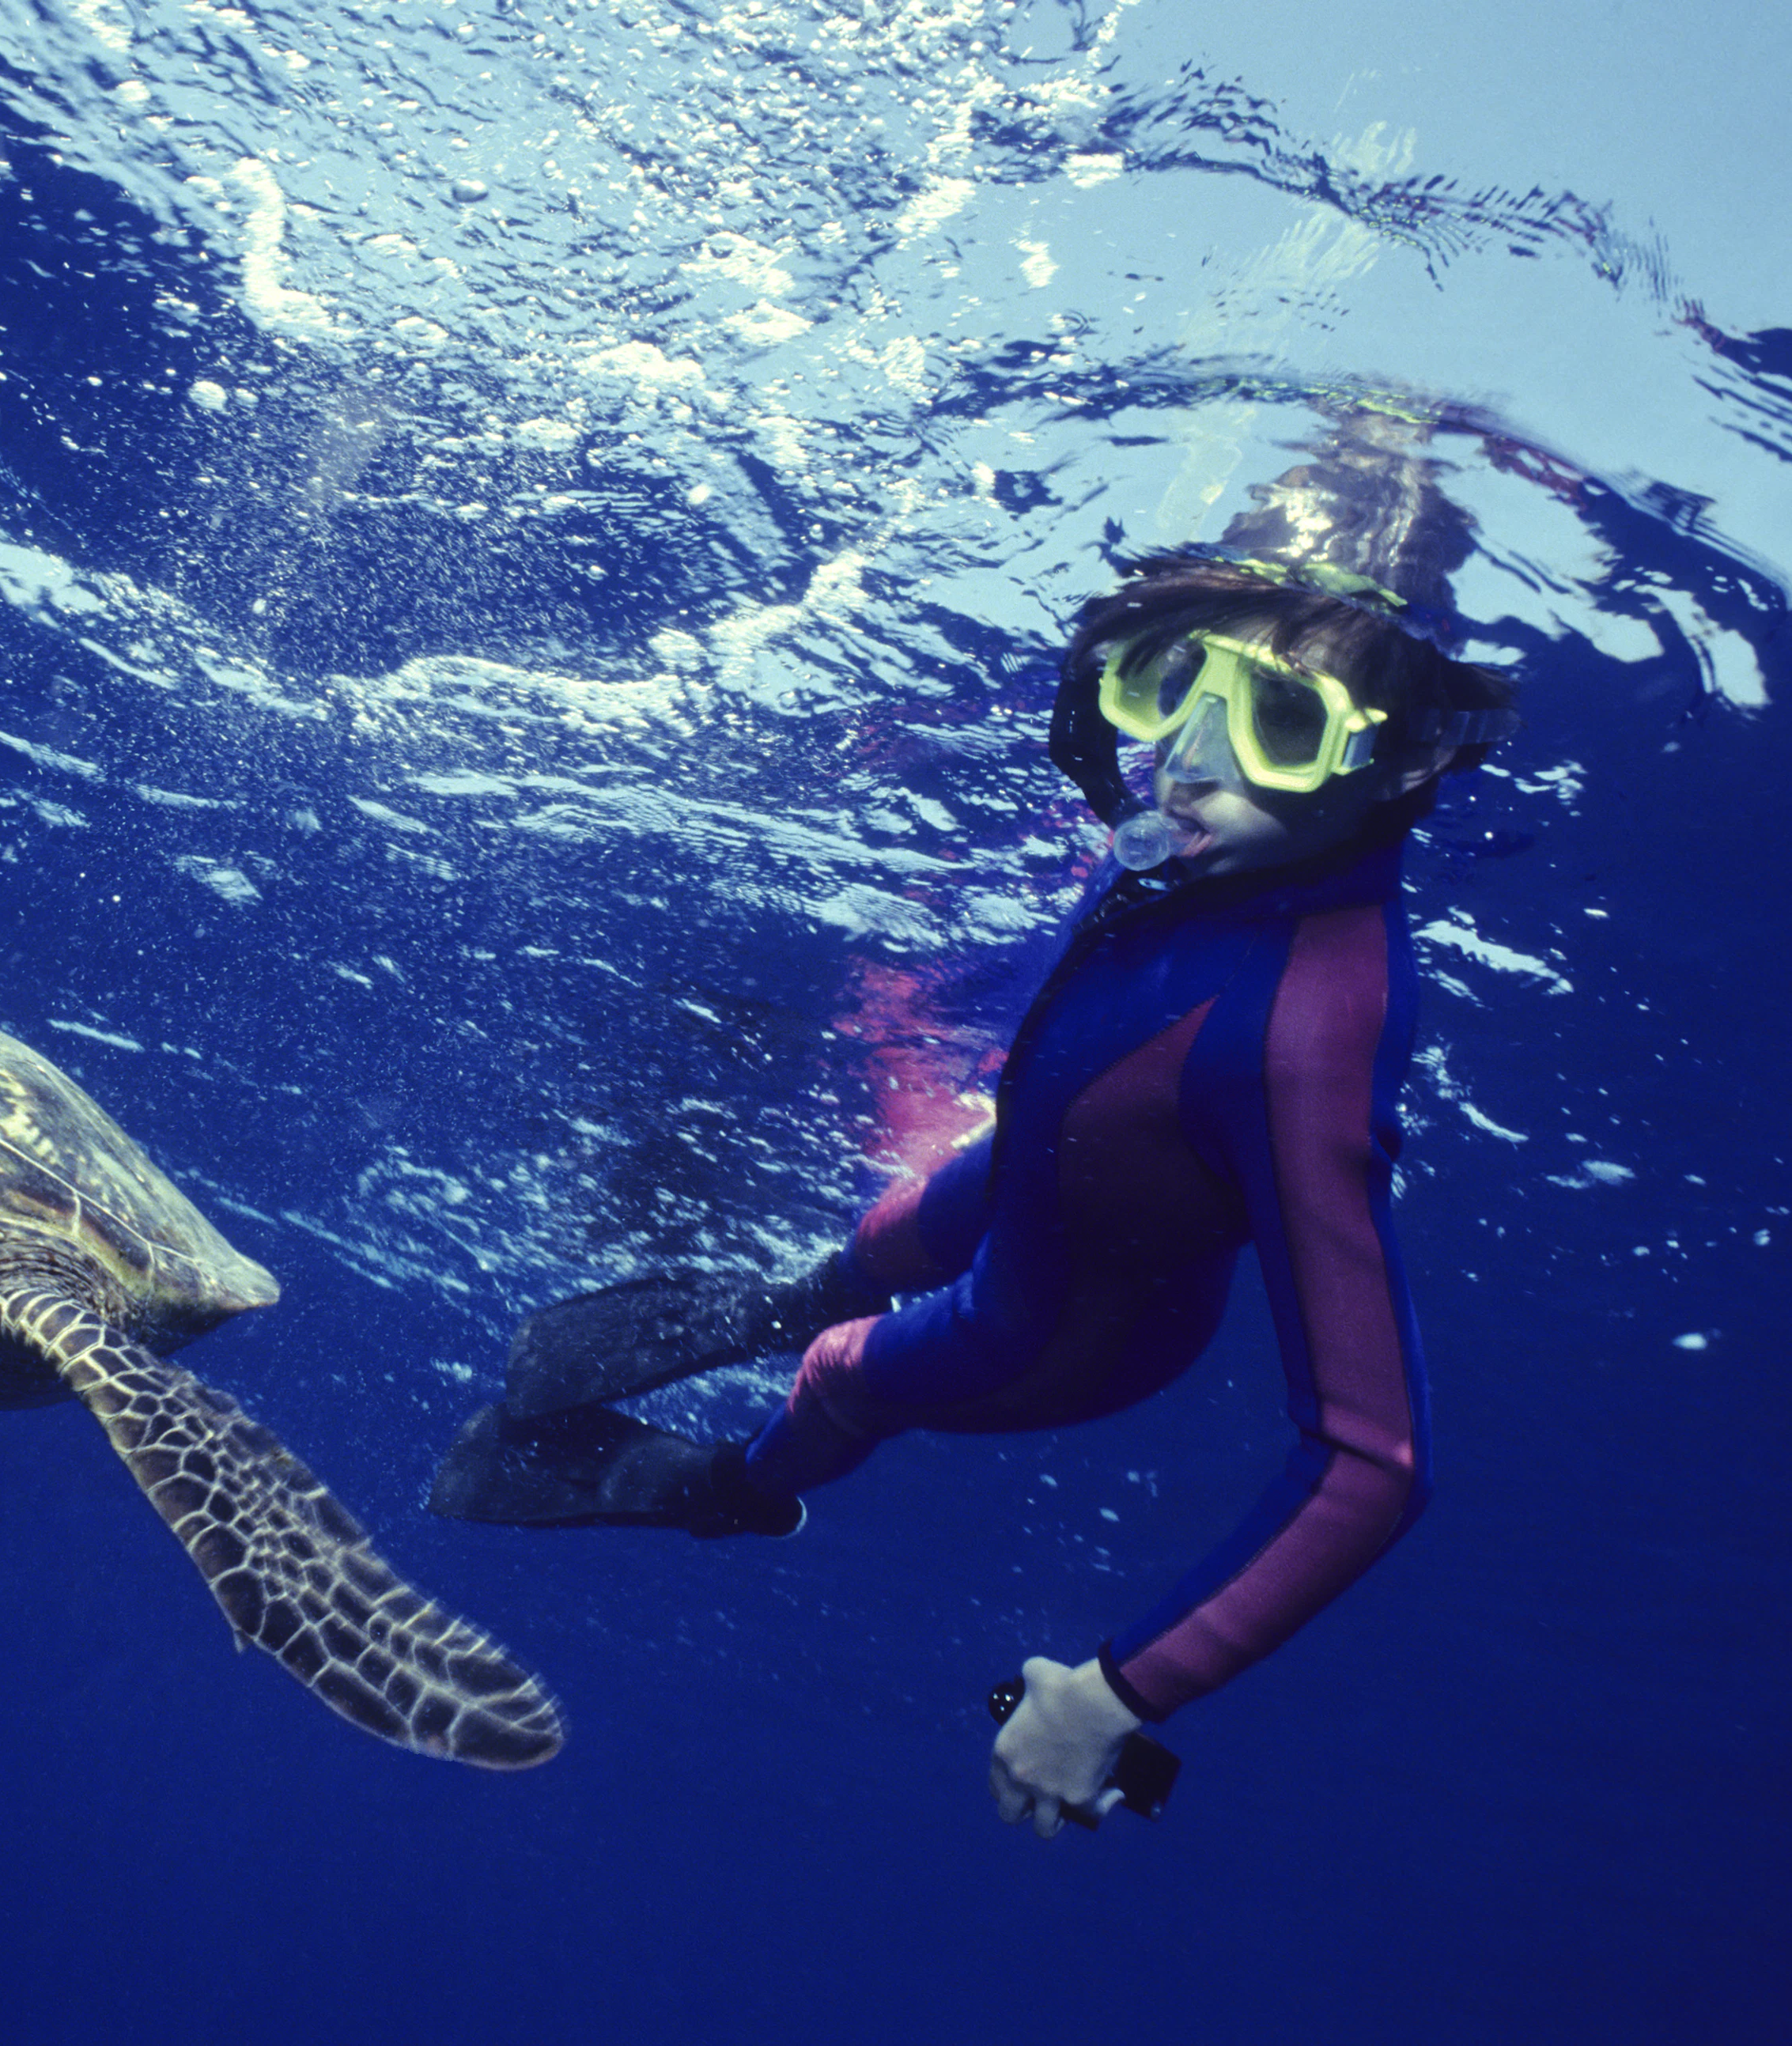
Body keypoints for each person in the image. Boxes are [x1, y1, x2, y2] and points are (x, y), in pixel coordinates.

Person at [428, 409, 1522, 1835]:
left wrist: (1121, 1694)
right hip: (1011, 1191)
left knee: (842, 1369)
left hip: (1061, 1326)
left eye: (1283, 725)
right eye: (1172, 685)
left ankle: (723, 1488)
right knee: (864, 1257)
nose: (1185, 759)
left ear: (1394, 766)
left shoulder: (1314, 1034)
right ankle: (780, 1302)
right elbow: (1071, 1096)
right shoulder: (1188, 864)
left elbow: (1375, 1461)